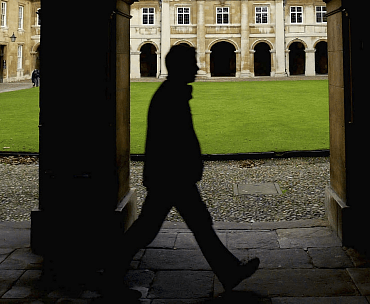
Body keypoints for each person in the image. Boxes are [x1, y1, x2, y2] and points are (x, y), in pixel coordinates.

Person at [105, 44, 259, 300]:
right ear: (180, 67)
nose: (198, 67)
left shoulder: (172, 92)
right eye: (193, 63)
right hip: (171, 177)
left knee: (197, 224)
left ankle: (229, 271)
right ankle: (110, 276)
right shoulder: (171, 95)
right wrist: (188, 166)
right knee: (149, 229)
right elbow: (173, 141)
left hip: (172, 175)